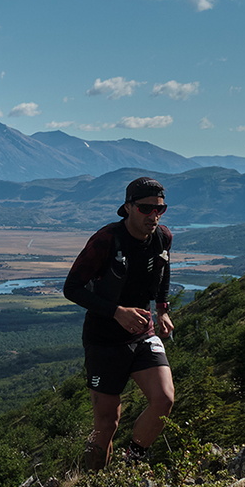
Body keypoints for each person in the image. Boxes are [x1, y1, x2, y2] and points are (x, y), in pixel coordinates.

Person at [63, 176, 175, 470]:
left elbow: (163, 270)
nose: (153, 215)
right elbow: (71, 288)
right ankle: (92, 484)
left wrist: (162, 309)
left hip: (142, 334)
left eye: (160, 210)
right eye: (145, 209)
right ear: (127, 208)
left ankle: (132, 465)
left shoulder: (163, 237)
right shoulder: (106, 240)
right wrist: (116, 312)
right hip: (104, 339)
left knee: (163, 400)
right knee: (107, 423)